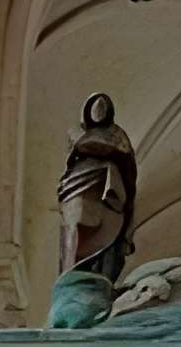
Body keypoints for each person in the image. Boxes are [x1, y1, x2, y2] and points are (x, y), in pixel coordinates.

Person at [56, 92, 137, 282]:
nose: (99, 111)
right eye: (95, 106)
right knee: (75, 232)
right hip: (77, 186)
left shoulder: (117, 134)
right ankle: (75, 273)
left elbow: (128, 165)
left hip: (110, 186)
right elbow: (77, 149)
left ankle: (98, 272)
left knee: (107, 230)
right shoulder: (77, 133)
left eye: (102, 107)